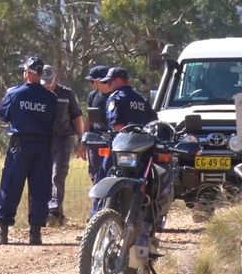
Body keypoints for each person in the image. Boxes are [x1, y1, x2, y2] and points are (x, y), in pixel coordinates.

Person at [0, 57, 58, 245]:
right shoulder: (51, 98)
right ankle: (35, 234)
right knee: (40, 188)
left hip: (20, 146)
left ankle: (3, 233)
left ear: (28, 72)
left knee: (11, 185)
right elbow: (54, 120)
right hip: (43, 147)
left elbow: (4, 115)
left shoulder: (15, 94)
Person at [40, 65, 85, 227]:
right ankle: (42, 213)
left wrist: (82, 140)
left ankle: (54, 211)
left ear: (55, 77)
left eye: (49, 82)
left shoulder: (67, 94)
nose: (47, 85)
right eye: (43, 82)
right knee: (42, 176)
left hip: (63, 140)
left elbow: (77, 118)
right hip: (43, 140)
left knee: (57, 174)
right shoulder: (37, 93)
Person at [83, 65, 112, 217]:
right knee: (96, 175)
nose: (91, 84)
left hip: (113, 143)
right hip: (95, 143)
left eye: (92, 81)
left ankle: (103, 212)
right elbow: (88, 119)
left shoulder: (116, 96)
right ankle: (97, 212)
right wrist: (83, 141)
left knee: (108, 176)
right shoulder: (93, 96)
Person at [100, 67, 158, 131]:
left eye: (109, 81)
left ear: (118, 80)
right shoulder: (141, 99)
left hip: (124, 140)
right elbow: (154, 122)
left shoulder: (115, 98)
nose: (108, 84)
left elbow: (117, 126)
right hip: (144, 140)